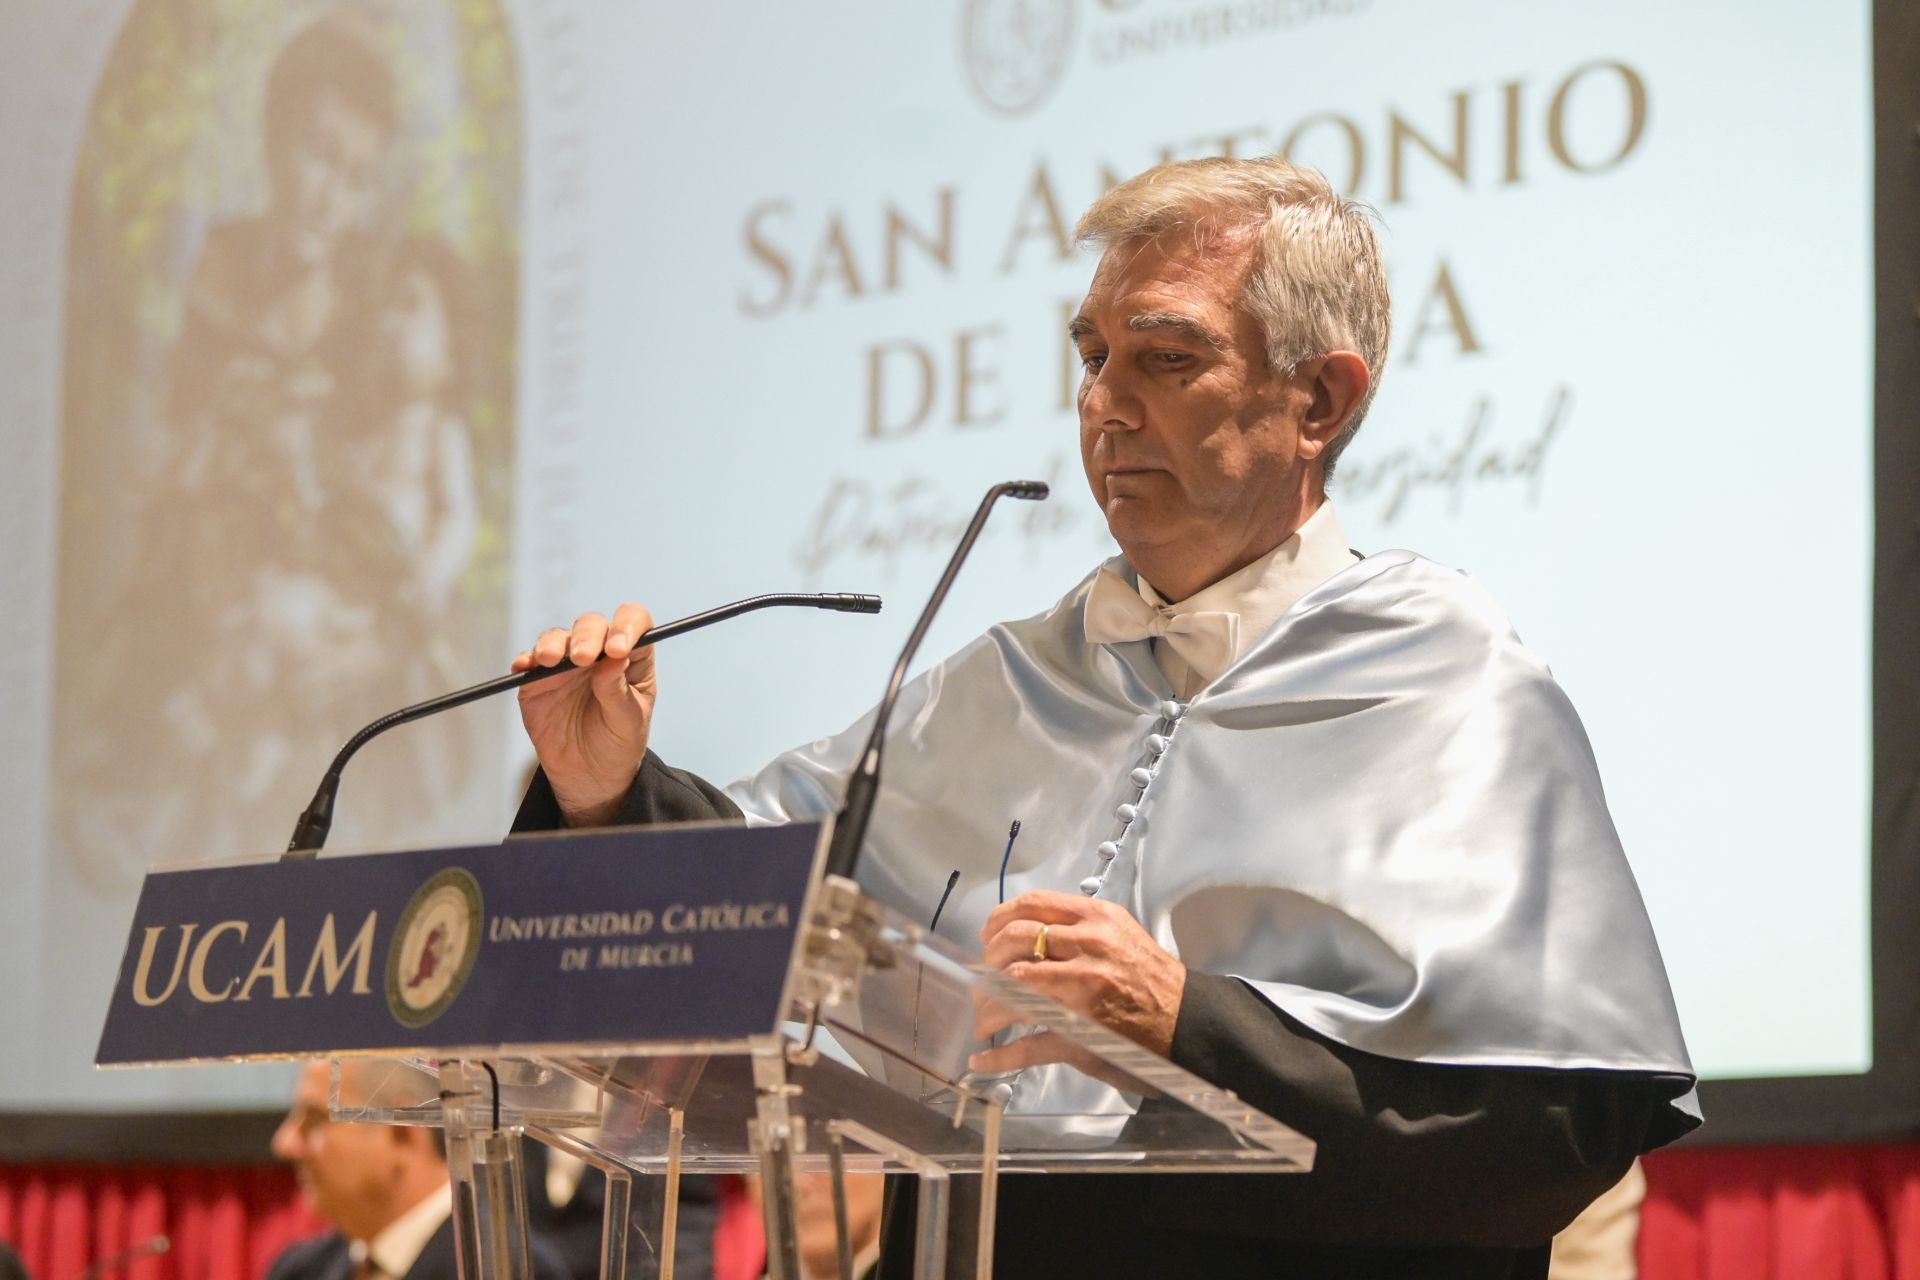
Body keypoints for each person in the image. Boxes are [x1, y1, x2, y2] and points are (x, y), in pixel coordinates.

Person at [507, 156, 1698, 1279]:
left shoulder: (1454, 687)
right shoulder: (1007, 680)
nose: (1103, 405)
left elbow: (1553, 1129)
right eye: (1091, 353)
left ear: (1320, 399)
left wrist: (1188, 1023)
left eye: (1166, 360)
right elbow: (773, 892)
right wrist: (605, 789)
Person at [269, 1060, 571, 1280]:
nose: (283, 1144)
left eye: (314, 1120)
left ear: (401, 1130)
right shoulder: (299, 1269)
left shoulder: (508, 1269)